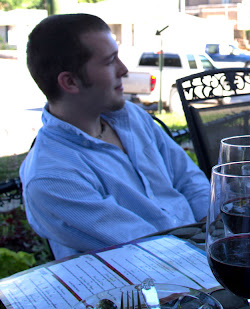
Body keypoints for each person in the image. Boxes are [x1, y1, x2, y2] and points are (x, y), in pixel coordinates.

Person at [19, 13, 210, 260]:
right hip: (153, 277)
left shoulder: (131, 117)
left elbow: (189, 178)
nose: (124, 69)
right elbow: (146, 248)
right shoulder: (51, 177)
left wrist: (216, 230)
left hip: (204, 253)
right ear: (70, 82)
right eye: (110, 62)